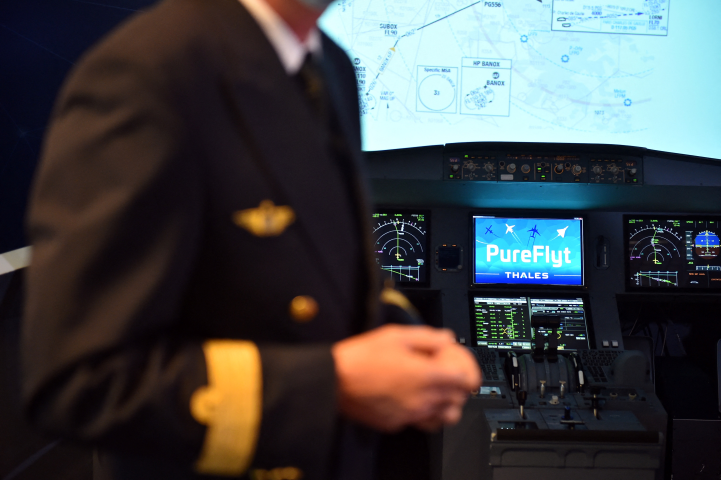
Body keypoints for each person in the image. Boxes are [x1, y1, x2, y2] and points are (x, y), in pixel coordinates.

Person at [21, 0, 481, 478]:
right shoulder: (148, 73)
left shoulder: (331, 67)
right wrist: (332, 386)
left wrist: (413, 352)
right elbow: (79, 381)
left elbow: (320, 270)